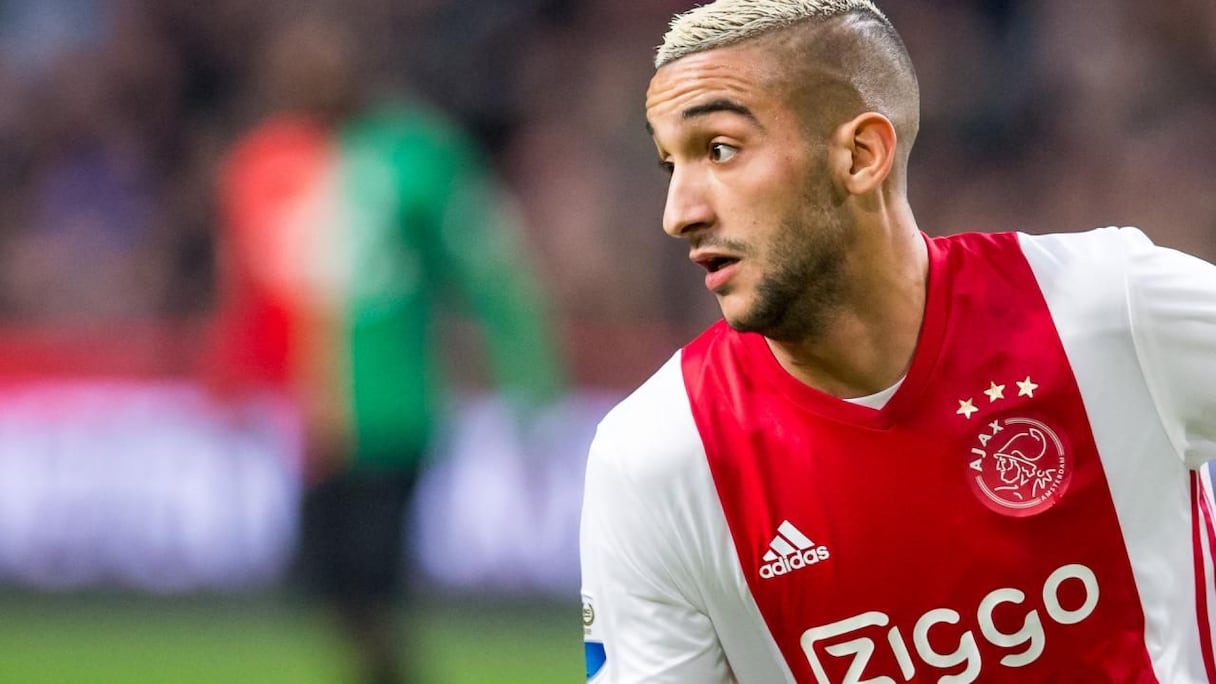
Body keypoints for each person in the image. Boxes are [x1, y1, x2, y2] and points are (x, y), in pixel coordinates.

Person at [578, 1, 1216, 682]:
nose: (679, 213)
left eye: (720, 151)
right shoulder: (657, 458)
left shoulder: (1108, 309)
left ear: (861, 155)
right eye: (669, 164)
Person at [207, 16, 563, 684]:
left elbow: (492, 278)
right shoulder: (266, 163)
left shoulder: (416, 158)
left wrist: (529, 388)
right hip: (316, 425)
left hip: (395, 414)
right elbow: (248, 289)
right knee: (326, 590)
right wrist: (231, 379)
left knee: (370, 588)